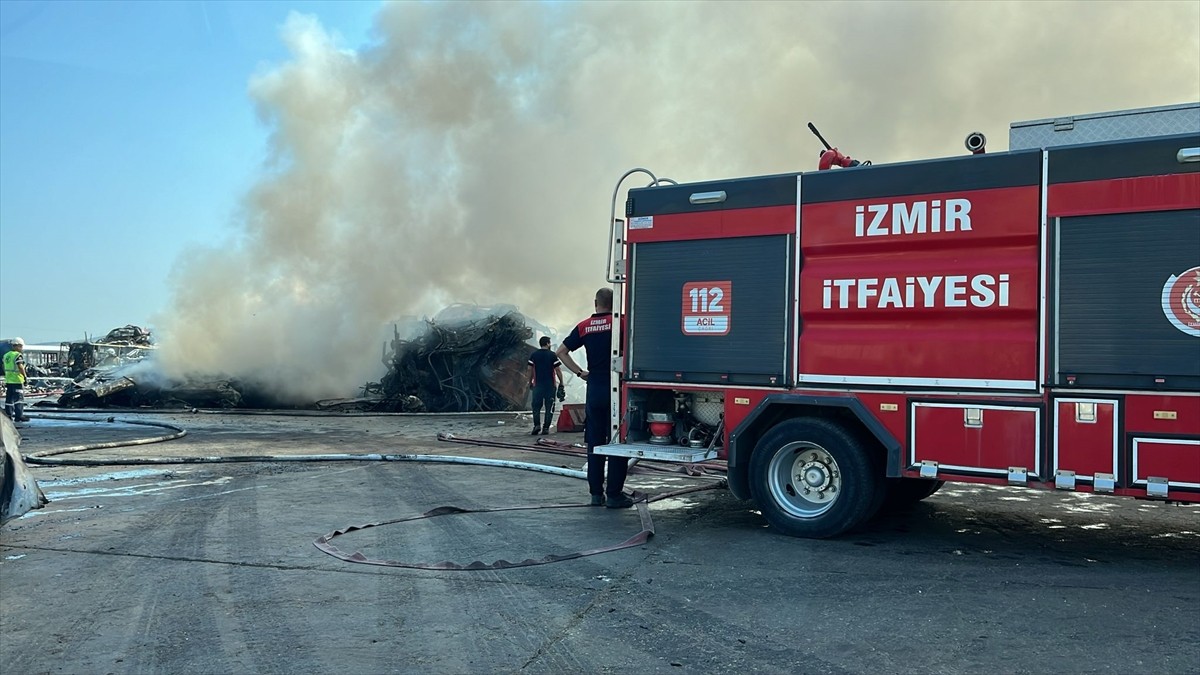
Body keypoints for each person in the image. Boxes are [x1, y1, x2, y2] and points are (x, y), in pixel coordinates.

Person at [556, 287, 633, 509]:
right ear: (614, 303)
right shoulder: (622, 323)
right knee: (617, 442)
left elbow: (560, 352)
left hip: (595, 387)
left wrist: (581, 373)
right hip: (617, 388)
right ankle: (615, 495)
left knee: (595, 443)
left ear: (595, 303)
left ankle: (596, 494)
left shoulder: (584, 326)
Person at [527, 336, 564, 435]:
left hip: (537, 385)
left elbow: (529, 370)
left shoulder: (534, 355)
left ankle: (536, 426)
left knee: (536, 407)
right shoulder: (552, 355)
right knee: (549, 407)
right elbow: (558, 370)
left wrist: (530, 381)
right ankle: (546, 428)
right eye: (550, 343)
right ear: (547, 343)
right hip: (550, 386)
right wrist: (561, 382)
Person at [3, 337, 29, 422]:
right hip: (17, 380)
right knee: (19, 399)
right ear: (17, 346)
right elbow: (20, 366)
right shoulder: (17, 355)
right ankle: (19, 416)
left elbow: (4, 367)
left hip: (9, 380)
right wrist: (25, 377)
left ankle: (8, 416)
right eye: (21, 346)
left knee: (9, 399)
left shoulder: (6, 355)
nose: (21, 349)